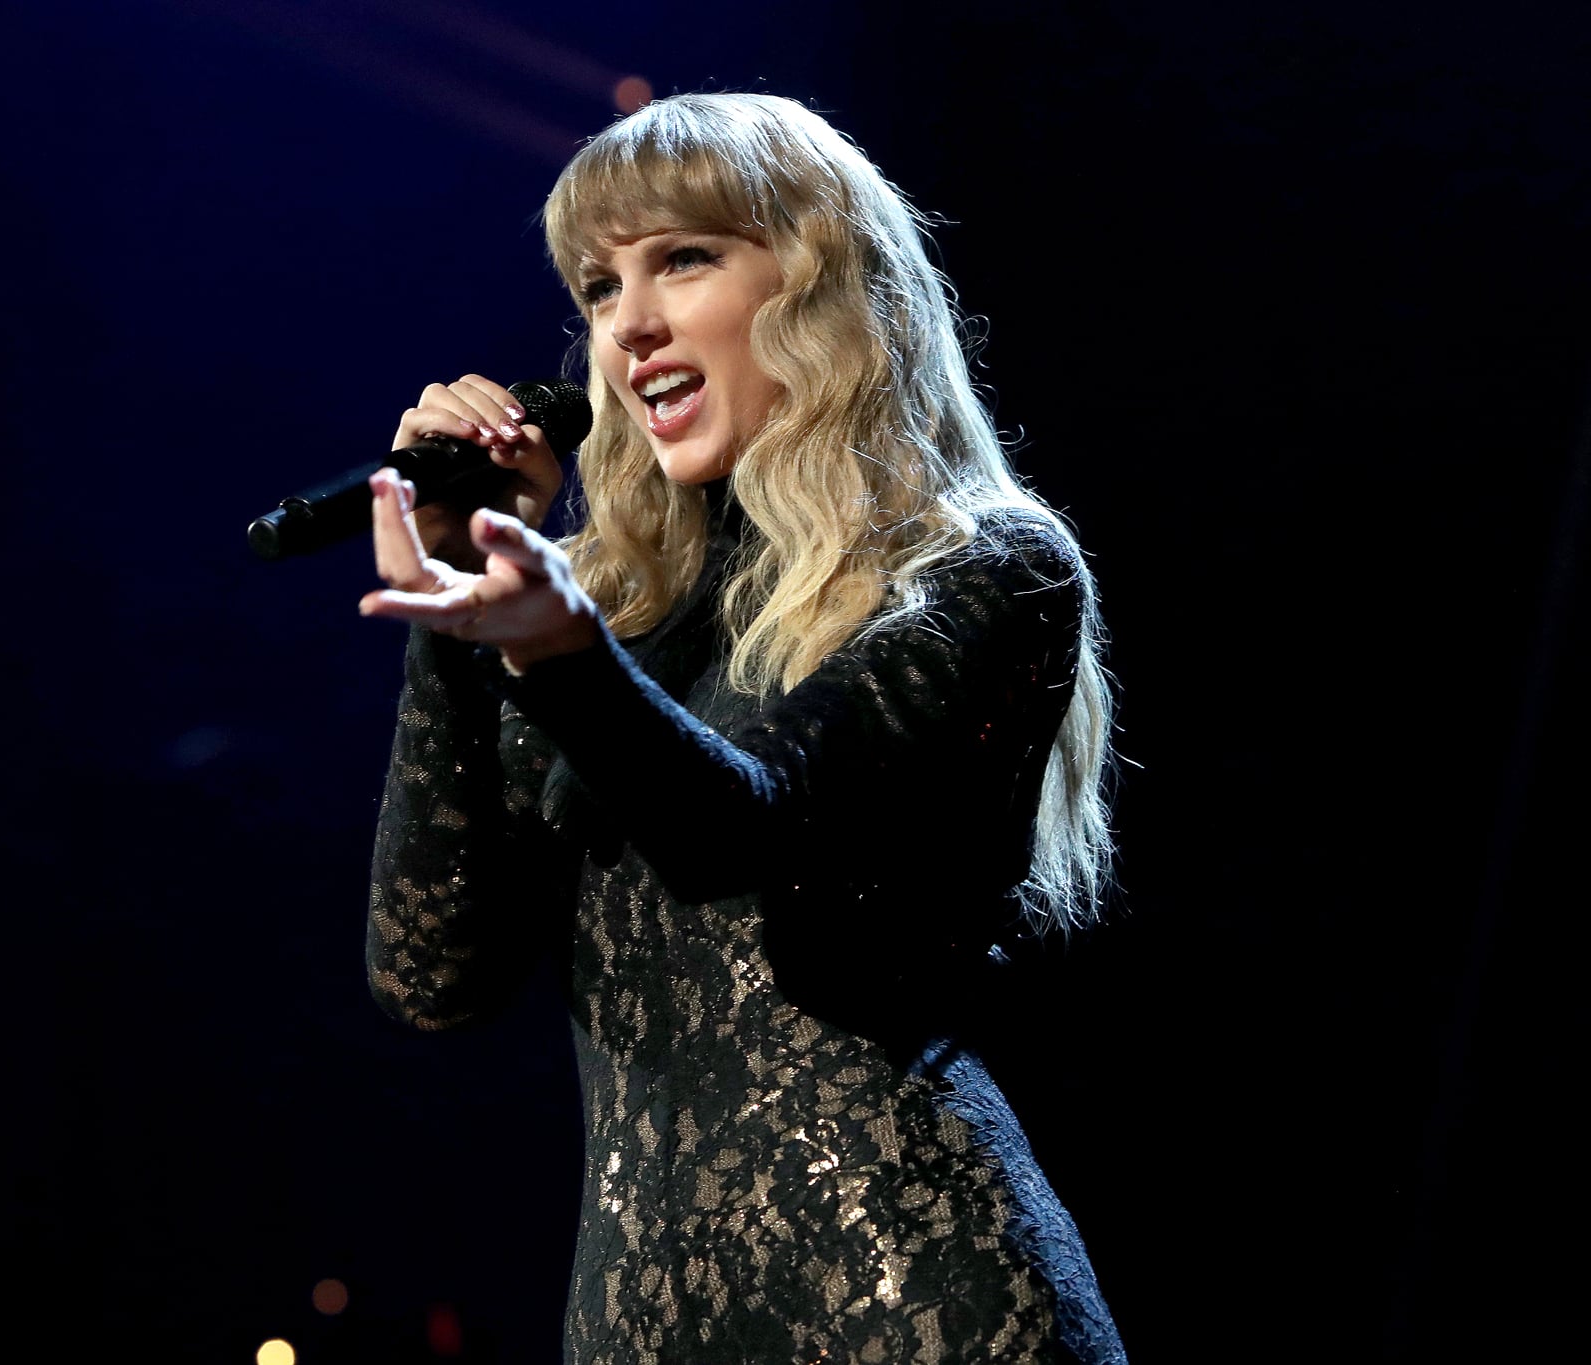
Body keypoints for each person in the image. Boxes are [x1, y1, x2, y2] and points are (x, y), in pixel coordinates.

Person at [358, 92, 1125, 1364]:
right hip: (633, 1321)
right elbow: (428, 977)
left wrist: (556, 651)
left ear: (820, 287)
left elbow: (738, 828)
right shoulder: (608, 615)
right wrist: (451, 613)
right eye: (599, 288)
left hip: (903, 1299)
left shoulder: (978, 568)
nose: (629, 325)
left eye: (685, 259)